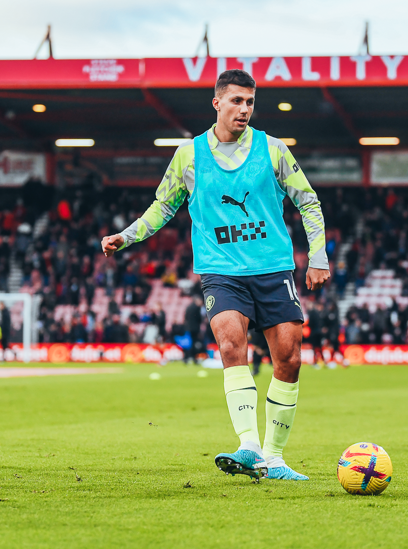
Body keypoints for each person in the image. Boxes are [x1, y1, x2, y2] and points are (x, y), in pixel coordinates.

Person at [102, 69, 330, 481]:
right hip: (220, 271)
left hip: (273, 268)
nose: (244, 109)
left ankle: (275, 460)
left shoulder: (273, 150)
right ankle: (250, 447)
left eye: (250, 102)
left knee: (290, 359)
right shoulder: (189, 155)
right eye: (237, 101)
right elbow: (163, 206)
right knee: (230, 344)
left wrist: (318, 256)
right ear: (217, 103)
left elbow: (309, 202)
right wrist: (127, 235)